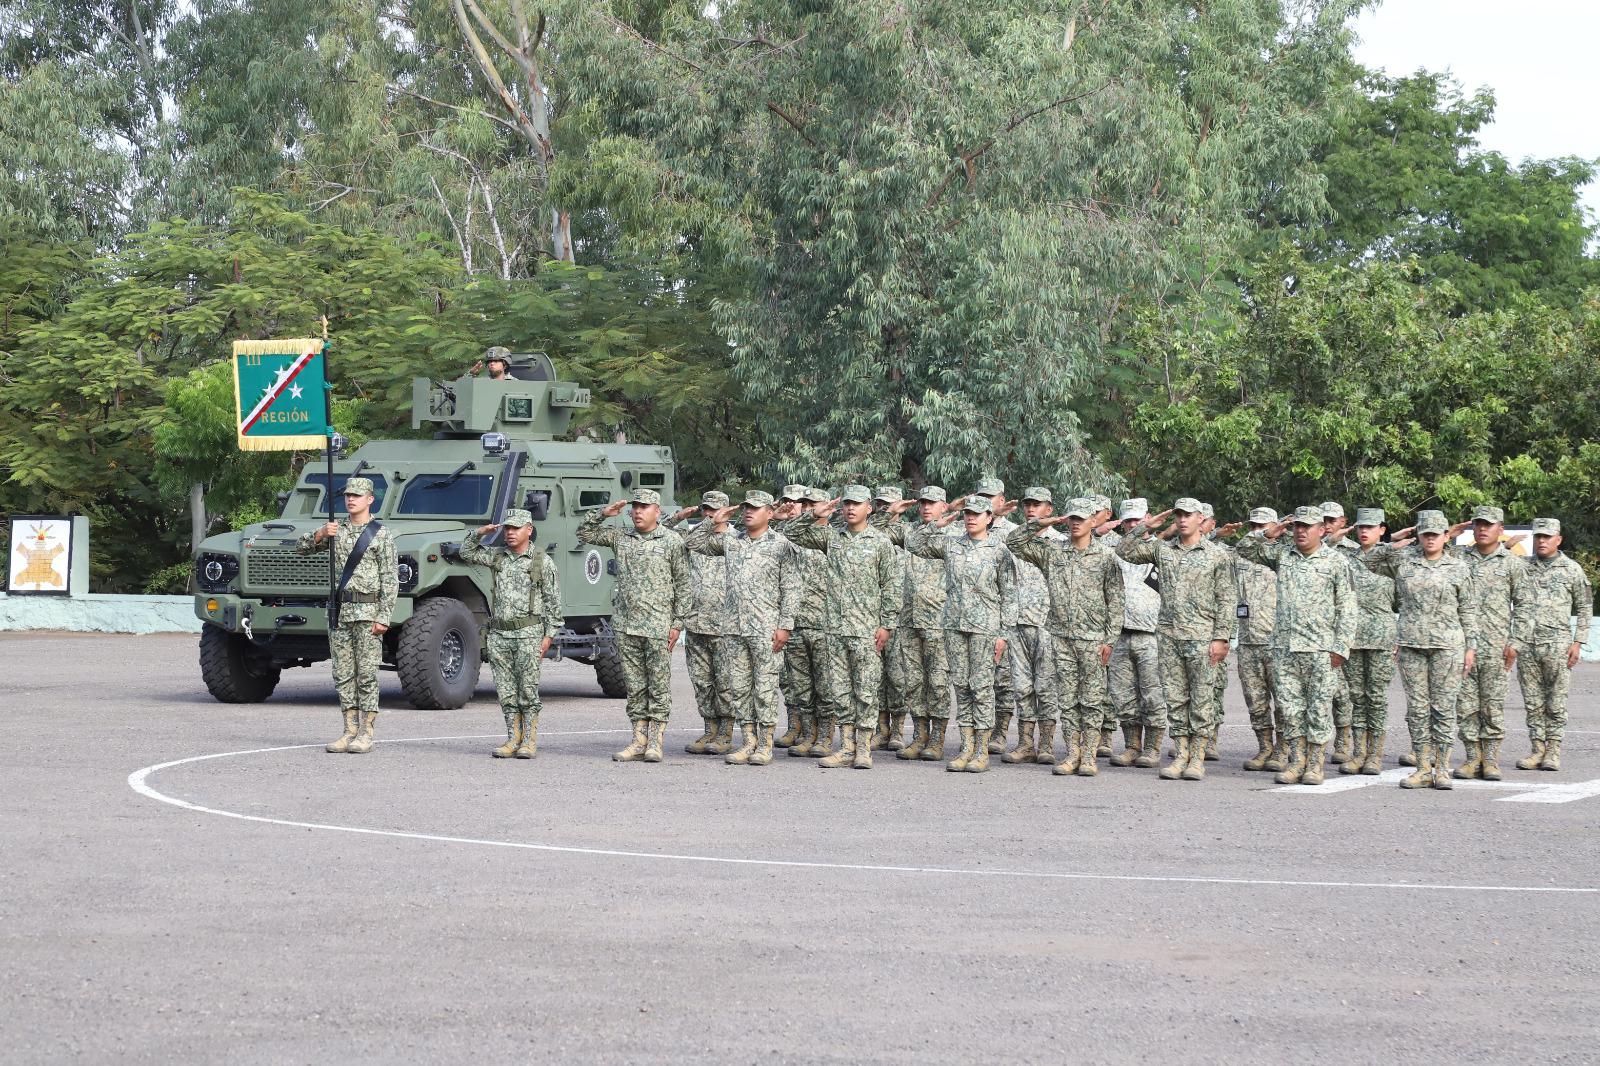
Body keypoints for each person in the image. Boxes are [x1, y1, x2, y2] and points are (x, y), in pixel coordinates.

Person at [1115, 498, 1236, 781]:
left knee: (1201, 700)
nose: (1182, 520)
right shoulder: (1163, 550)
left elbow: (1227, 599)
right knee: (1176, 700)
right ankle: (1180, 754)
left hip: (1202, 637)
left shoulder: (1216, 555)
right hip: (1169, 637)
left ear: (1200, 519)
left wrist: (1221, 637)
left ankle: (1197, 757)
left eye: (1188, 515)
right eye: (1178, 515)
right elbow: (1124, 550)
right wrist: (1146, 525)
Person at [1235, 507, 1357, 786]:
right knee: (1290, 710)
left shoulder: (1335, 561)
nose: (1300, 531)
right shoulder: (1283, 556)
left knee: (1317, 709)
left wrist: (1341, 647)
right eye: (1296, 526)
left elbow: (1348, 607)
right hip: (1284, 649)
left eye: (1306, 526)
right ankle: (1296, 762)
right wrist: (1269, 532)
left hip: (1320, 649)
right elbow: (1244, 549)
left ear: (1322, 529)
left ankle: (1315, 765)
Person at [785, 486, 902, 769]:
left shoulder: (880, 542)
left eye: (857, 504)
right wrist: (813, 514)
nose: (851, 508)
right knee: (840, 691)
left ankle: (863, 748)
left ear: (869, 509)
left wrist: (887, 624)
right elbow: (790, 534)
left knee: (865, 690)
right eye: (847, 503)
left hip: (865, 629)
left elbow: (891, 584)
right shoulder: (831, 537)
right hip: (834, 630)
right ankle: (846, 747)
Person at [1007, 498, 1123, 776]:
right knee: (1068, 700)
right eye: (1071, 518)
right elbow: (1014, 542)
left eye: (1081, 519)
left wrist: (1110, 639)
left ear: (1093, 521)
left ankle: (1090, 755)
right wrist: (1044, 523)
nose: (1075, 523)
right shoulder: (1053, 552)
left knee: (1092, 700)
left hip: (1093, 638)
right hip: (1060, 637)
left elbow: (1116, 600)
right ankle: (1073, 753)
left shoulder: (1106, 556)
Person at [683, 491, 800, 766]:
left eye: (756, 508)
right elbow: (693, 543)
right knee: (740, 688)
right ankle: (748, 742)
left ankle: (765, 744)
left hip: (765, 629)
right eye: (746, 507)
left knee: (765, 688)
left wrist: (785, 625)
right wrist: (714, 521)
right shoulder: (731, 542)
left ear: (769, 513)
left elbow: (792, 588)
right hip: (733, 629)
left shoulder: (780, 544)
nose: (749, 512)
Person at [1361, 511, 1477, 789]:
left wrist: (1471, 646)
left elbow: (1469, 608)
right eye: (1425, 534)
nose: (1430, 539)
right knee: (1417, 710)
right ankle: (1423, 768)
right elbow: (1368, 560)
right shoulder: (1405, 563)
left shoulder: (1458, 568)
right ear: (1419, 536)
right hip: (1412, 645)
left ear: (1446, 536)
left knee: (1444, 708)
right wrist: (1395, 541)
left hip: (1447, 645)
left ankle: (1443, 768)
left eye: (1436, 534)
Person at [577, 489, 692, 762]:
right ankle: (638, 740)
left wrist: (677, 624)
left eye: (644, 507)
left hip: (658, 626)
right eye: (635, 507)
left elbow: (684, 585)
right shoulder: (622, 537)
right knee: (635, 686)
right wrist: (603, 514)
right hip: (627, 626)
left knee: (658, 687)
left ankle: (655, 742)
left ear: (657, 512)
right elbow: (584, 534)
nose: (638, 512)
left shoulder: (672, 541)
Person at [903, 496, 1016, 772]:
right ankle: (965, 748)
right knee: (962, 688)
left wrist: (1004, 633)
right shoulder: (952, 545)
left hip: (984, 628)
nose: (971, 518)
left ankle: (981, 751)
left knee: (982, 689)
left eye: (977, 514)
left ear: (989, 517)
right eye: (967, 513)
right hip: (954, 626)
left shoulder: (999, 550)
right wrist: (936, 525)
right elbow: (914, 544)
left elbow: (1010, 595)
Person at [295, 476, 397, 754]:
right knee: (342, 674)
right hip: (339, 612)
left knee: (366, 674)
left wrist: (383, 616)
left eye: (357, 495)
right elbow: (300, 548)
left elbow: (390, 578)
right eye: (347, 495)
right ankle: (348, 730)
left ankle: (366, 732)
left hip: (367, 612)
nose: (350, 499)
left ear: (370, 499)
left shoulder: (381, 534)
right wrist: (319, 535)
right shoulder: (334, 529)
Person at [459, 509, 562, 759]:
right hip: (500, 634)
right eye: (507, 528)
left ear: (529, 529)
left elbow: (554, 603)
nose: (510, 533)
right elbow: (466, 553)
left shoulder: (541, 561)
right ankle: (512, 738)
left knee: (527, 690)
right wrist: (479, 533)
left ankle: (528, 740)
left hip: (528, 633)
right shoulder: (498, 557)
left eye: (516, 528)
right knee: (505, 690)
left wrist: (548, 636)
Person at [1451, 505, 1531, 780]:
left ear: (1500, 529)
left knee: (1493, 706)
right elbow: (1423, 554)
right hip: (1464, 647)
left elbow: (1524, 605)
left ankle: (1492, 760)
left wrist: (1516, 642)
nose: (1482, 529)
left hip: (1498, 647)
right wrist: (1451, 532)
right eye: (1478, 524)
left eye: (1488, 524)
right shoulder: (1459, 559)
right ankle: (1473, 759)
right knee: (1466, 706)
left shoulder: (1512, 564)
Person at [880, 487, 956, 760]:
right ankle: (919, 735)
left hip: (938, 620)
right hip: (907, 618)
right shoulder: (908, 532)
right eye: (923, 503)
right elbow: (875, 531)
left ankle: (937, 739)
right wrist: (890, 512)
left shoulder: (954, 536)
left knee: (937, 682)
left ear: (944, 507)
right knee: (912, 681)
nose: (926, 508)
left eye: (932, 503)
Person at [1517, 518, 1592, 771]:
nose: (1542, 541)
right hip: (1527, 644)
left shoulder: (1571, 569)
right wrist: (1507, 547)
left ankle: (1553, 751)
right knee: (1532, 701)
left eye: (1547, 537)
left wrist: (1578, 641)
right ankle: (1537, 749)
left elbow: (1584, 607)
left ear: (1558, 540)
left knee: (1556, 701)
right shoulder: (1523, 566)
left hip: (1558, 644)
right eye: (1538, 537)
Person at [668, 492, 736, 755]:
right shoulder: (692, 539)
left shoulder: (737, 540)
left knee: (725, 683)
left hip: (725, 625)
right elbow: (659, 533)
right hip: (695, 622)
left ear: (727, 512)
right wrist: (678, 518)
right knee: (702, 682)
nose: (710, 514)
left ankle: (726, 734)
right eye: (706, 510)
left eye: (716, 510)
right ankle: (709, 731)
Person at [1104, 498, 1169, 768]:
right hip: (1119, 633)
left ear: (1149, 518)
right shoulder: (1114, 551)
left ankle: (1153, 749)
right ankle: (1132, 745)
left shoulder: (1162, 550)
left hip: (1151, 633)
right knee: (1123, 695)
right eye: (1128, 521)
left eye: (1138, 519)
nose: (1133, 525)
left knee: (1152, 694)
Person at [1338, 509, 1399, 775]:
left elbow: (1404, 599)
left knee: (1376, 697)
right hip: (1352, 637)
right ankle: (1358, 753)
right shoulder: (1345, 557)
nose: (1365, 532)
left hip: (1381, 638)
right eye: (1361, 527)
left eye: (1371, 527)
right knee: (1356, 697)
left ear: (1382, 530)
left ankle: (1374, 754)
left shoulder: (1390, 559)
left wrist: (1400, 635)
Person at [1004, 487, 1062, 764]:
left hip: (1047, 625)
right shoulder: (1015, 541)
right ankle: (1026, 743)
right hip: (1017, 622)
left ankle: (1047, 745)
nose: (1030, 509)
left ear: (1049, 509)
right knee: (1021, 687)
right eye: (1027, 504)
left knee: (1046, 686)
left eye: (1037, 505)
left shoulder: (1059, 543)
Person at [971, 477, 1020, 754]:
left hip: (1003, 614)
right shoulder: (968, 529)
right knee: (978, 681)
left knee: (1003, 681)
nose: (986, 500)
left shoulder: (1011, 532)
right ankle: (979, 734)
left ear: (1002, 501)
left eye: (991, 497)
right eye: (981, 496)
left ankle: (999, 733)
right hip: (975, 616)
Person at [1233, 507, 1282, 771]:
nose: (1258, 531)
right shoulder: (1241, 555)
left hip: (1276, 641)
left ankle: (1284, 750)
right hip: (1248, 640)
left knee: (1284, 700)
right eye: (1253, 526)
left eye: (1263, 526)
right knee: (1256, 700)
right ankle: (1265, 748)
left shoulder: (1284, 555)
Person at [870, 486, 911, 750]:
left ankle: (897, 729)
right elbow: (872, 525)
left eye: (890, 504)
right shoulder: (869, 533)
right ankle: (880, 729)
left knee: (897, 676)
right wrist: (884, 515)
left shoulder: (909, 532)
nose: (885, 509)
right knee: (874, 676)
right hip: (871, 613)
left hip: (902, 614)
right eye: (880, 504)